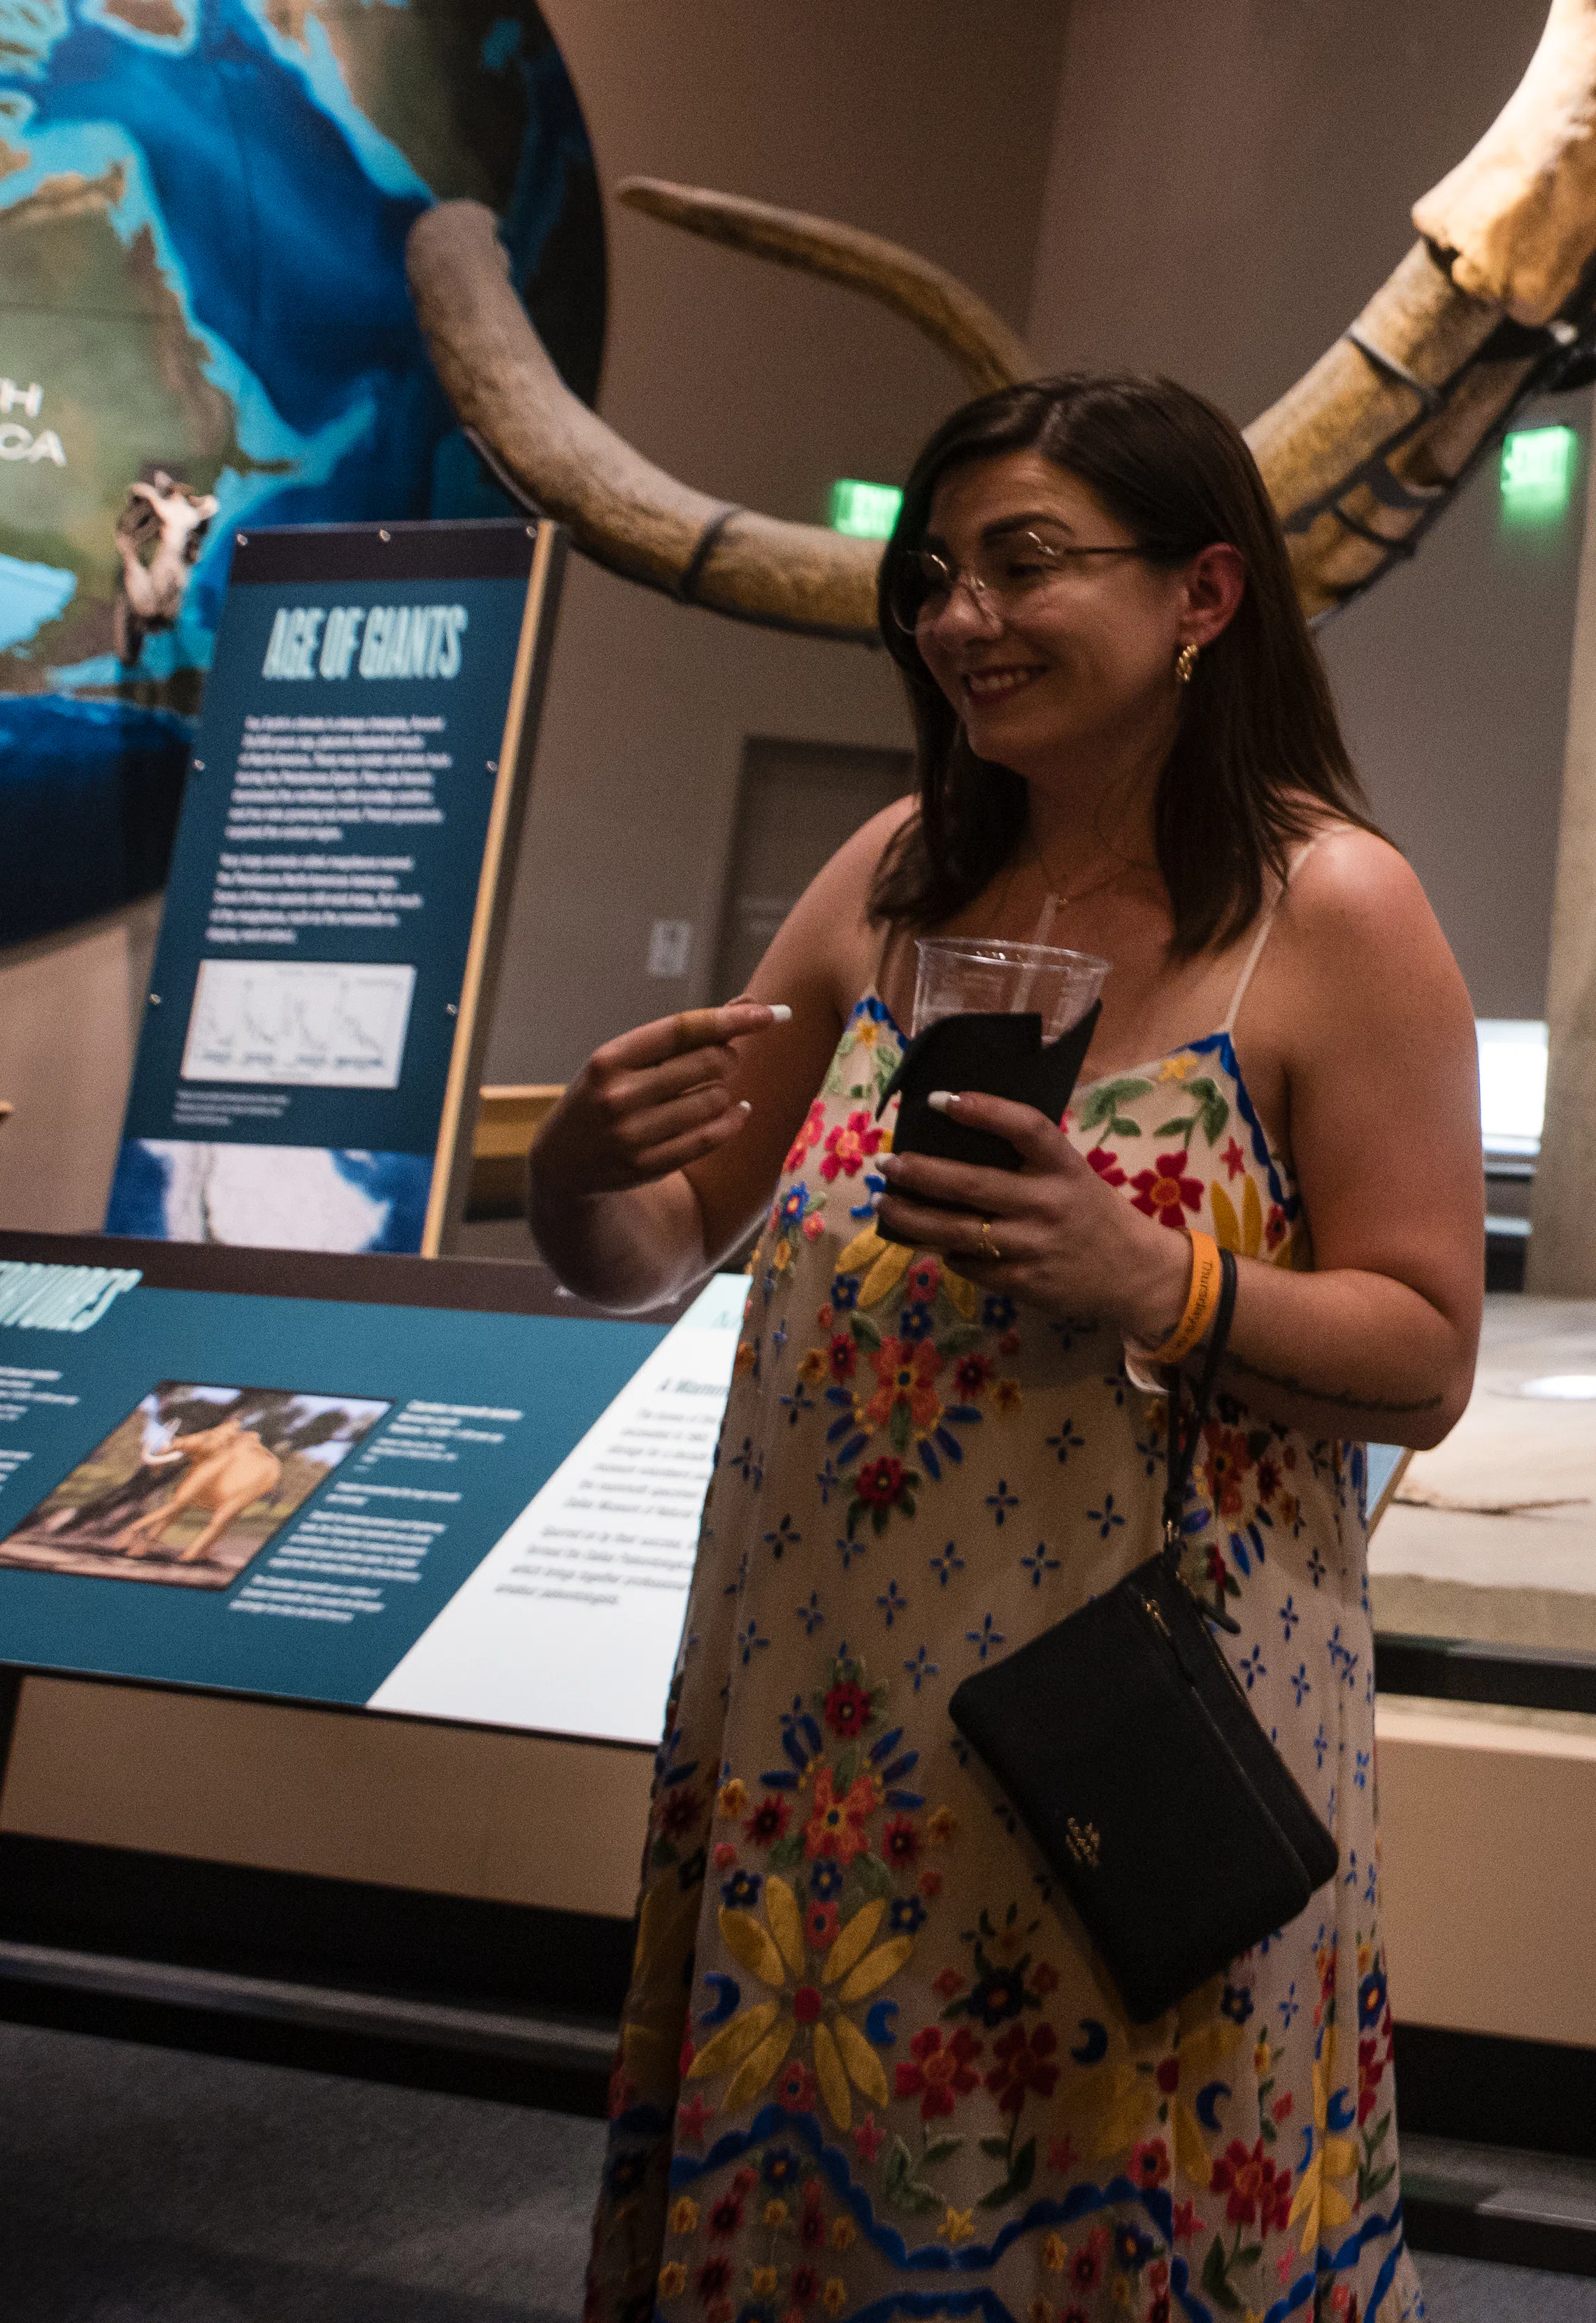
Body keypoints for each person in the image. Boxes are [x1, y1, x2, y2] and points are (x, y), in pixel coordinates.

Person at [530, 373, 1485, 2322]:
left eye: (1025, 562)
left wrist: (1158, 1283)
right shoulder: (892, 879)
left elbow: (1425, 1352)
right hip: (827, 1741)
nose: (961, 616)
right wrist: (571, 1175)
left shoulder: (1332, 909)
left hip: (1128, 1747)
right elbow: (655, 1249)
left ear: (1203, 593)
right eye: (935, 574)